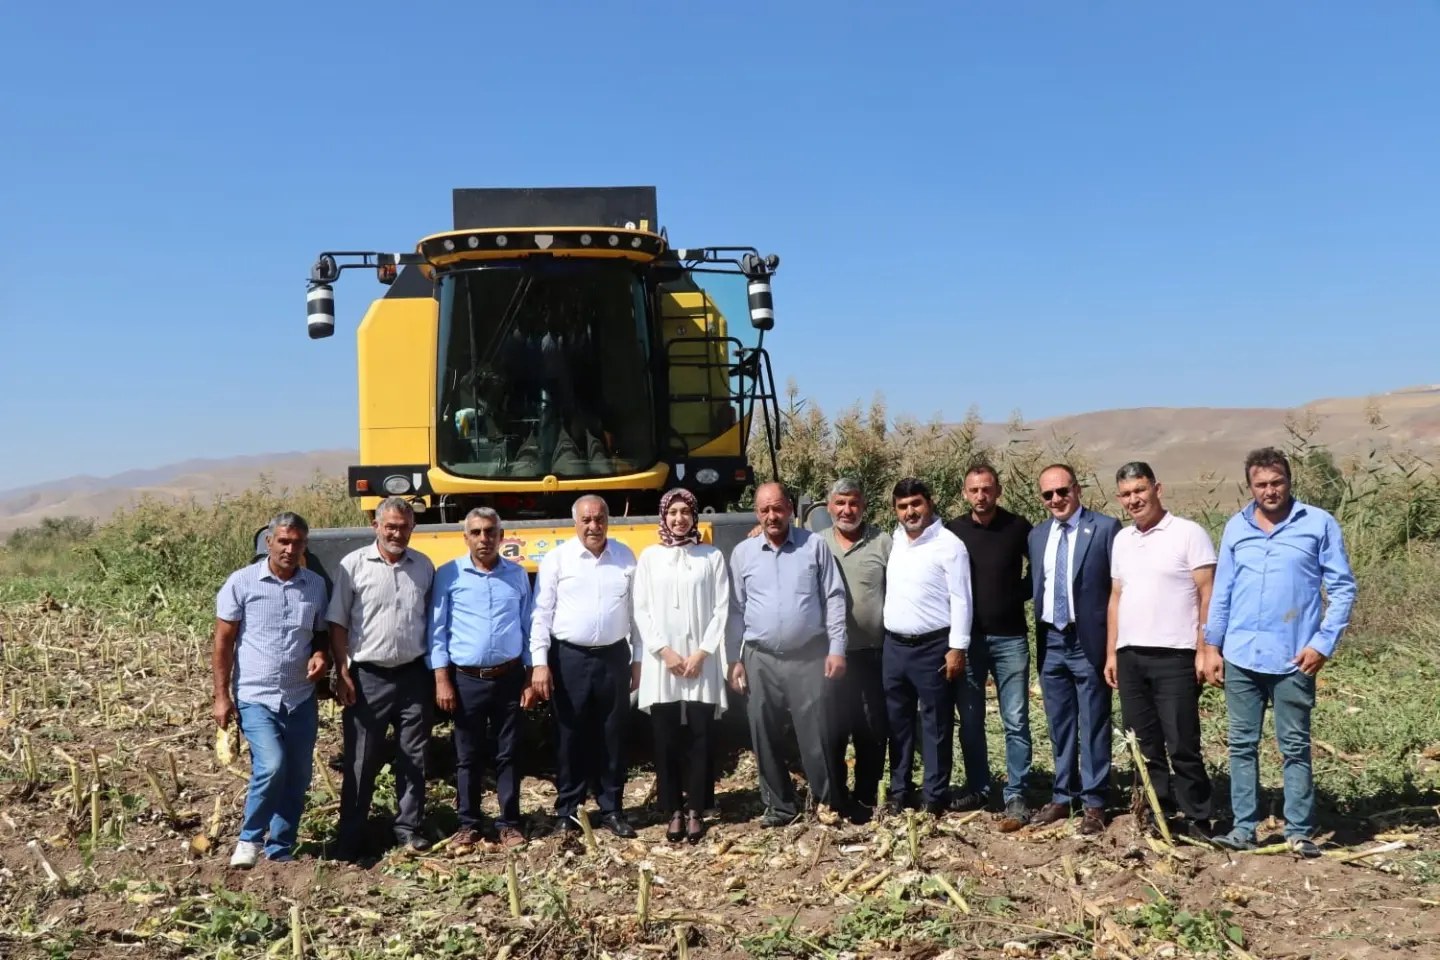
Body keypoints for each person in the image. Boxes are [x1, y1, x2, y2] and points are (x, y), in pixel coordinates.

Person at [1205, 447, 1356, 858]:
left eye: (1277, 482)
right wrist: (1212, 645)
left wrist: (1322, 643)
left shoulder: (1318, 524)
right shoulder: (1236, 527)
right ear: (1250, 486)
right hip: (1241, 654)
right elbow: (1222, 593)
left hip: (1294, 657)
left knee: (1294, 745)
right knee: (1241, 745)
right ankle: (1243, 828)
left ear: (1289, 482)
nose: (1269, 491)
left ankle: (1300, 830)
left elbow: (1342, 588)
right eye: (1261, 484)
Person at [1104, 463, 1217, 839]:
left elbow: (1208, 594)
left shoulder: (1188, 534)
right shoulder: (1122, 540)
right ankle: (1156, 812)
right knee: (1144, 743)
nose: (1134, 500)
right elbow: (1116, 598)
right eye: (1126, 494)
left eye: (1140, 490)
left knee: (1182, 741)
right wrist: (1112, 653)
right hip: (1131, 656)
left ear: (1157, 488)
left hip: (1175, 655)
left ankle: (1198, 817)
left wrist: (1205, 648)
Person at [727, 481, 849, 826]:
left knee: (817, 733)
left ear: (791, 510)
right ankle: (780, 806)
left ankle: (826, 803)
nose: (771, 516)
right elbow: (736, 609)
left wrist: (837, 648)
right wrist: (733, 659)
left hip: (808, 655)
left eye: (777, 508)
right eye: (764, 510)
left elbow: (834, 597)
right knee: (763, 733)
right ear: (756, 513)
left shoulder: (814, 546)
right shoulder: (743, 553)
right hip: (759, 656)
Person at [213, 512, 330, 868]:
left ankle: (280, 849)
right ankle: (249, 838)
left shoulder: (315, 586)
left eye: (297, 543)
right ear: (269, 543)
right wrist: (221, 697)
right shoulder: (242, 582)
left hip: (299, 696)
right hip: (255, 695)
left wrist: (321, 654)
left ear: (305, 545)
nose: (289, 549)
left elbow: (320, 634)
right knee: (272, 765)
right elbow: (223, 642)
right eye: (283, 541)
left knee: (298, 775)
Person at [327, 497, 437, 861]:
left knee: (414, 756)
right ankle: (352, 836)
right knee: (361, 758)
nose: (396, 533)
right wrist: (342, 671)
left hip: (413, 675)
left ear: (412, 529)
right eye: (389, 526)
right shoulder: (353, 565)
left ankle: (407, 828)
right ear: (376, 525)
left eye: (403, 527)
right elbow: (338, 622)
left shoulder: (423, 566)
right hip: (368, 676)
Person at [530, 495, 641, 838]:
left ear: (609, 520)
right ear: (575, 522)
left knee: (612, 734)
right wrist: (539, 663)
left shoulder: (625, 556)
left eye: (600, 519)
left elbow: (637, 613)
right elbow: (541, 614)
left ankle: (612, 808)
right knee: (569, 735)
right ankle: (568, 810)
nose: (594, 526)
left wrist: (637, 659)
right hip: (569, 658)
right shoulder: (557, 559)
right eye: (586, 520)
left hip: (613, 656)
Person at [429, 507, 533, 849]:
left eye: (490, 531)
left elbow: (527, 626)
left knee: (510, 754)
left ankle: (509, 823)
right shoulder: (449, 575)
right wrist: (442, 679)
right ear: (466, 537)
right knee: (468, 755)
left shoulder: (516, 576)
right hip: (466, 680)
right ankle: (469, 823)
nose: (484, 538)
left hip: (509, 677)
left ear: (501, 537)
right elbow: (437, 631)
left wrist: (531, 675)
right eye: (476, 532)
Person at [633, 488, 731, 844]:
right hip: (665, 664)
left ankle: (697, 809)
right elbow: (640, 609)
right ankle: (672, 808)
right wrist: (665, 652)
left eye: (685, 512)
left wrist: (702, 653)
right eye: (672, 512)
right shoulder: (650, 557)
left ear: (694, 516)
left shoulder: (712, 557)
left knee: (702, 737)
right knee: (666, 737)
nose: (679, 519)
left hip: (700, 662)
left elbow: (722, 608)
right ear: (664, 516)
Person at [1028, 465, 1120, 835]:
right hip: (1051, 639)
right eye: (1048, 495)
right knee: (1059, 723)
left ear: (1077, 489)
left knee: (1093, 720)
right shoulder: (1037, 536)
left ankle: (1095, 801)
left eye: (1062, 491)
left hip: (1088, 641)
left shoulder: (1105, 528)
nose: (1056, 500)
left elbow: (1118, 588)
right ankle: (1063, 795)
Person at [946, 463, 1035, 829]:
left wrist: (1019, 594)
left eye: (987, 489)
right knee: (970, 719)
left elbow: (1039, 568)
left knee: (1015, 720)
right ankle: (979, 788)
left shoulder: (1018, 528)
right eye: (974, 490)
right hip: (967, 642)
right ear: (965, 493)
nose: (981, 496)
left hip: (1011, 638)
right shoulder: (953, 531)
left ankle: (1016, 794)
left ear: (998, 490)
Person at [881, 477, 974, 817]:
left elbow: (962, 599)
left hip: (933, 647)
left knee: (936, 723)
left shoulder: (949, 545)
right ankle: (899, 790)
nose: (910, 512)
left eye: (916, 504)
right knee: (898, 722)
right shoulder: (894, 540)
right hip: (894, 647)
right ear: (896, 510)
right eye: (903, 507)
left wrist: (957, 647)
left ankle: (934, 793)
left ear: (929, 503)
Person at [818, 478, 893, 819]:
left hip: (873, 653)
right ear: (828, 506)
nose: (847, 510)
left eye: (853, 503)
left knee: (872, 728)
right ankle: (836, 796)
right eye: (840, 503)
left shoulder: (882, 542)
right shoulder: (815, 544)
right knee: (834, 727)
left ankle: (866, 797)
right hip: (831, 656)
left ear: (864, 506)